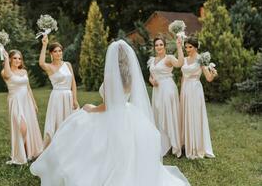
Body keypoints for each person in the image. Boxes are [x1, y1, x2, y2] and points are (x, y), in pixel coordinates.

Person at [30, 40, 190, 186]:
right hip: (127, 112)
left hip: (111, 114)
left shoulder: (111, 76)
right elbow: (123, 99)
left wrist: (91, 109)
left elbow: (108, 106)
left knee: (79, 127)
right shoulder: (131, 75)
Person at [1, 50, 43, 165]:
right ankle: (20, 153)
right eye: (14, 58)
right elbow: (8, 75)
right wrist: (5, 58)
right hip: (15, 101)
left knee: (30, 126)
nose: (17, 61)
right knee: (22, 127)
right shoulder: (5, 71)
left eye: (19, 58)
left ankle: (28, 152)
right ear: (10, 59)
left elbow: (28, 88)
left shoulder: (24, 71)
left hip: (26, 101)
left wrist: (34, 103)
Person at [180, 36, 217, 159]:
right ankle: (187, 144)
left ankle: (197, 146)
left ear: (196, 47)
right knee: (186, 115)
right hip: (185, 89)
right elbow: (183, 77)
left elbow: (208, 78)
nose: (188, 49)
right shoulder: (184, 60)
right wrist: (181, 92)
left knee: (195, 115)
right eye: (186, 47)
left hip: (195, 90)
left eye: (190, 47)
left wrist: (213, 74)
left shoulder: (200, 59)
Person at [39, 35, 79, 148]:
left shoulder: (67, 65)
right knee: (56, 123)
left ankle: (70, 147)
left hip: (69, 96)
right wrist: (44, 44)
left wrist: (75, 99)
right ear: (51, 54)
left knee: (72, 123)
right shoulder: (49, 67)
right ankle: (54, 147)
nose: (58, 53)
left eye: (60, 51)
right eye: (55, 51)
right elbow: (41, 63)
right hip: (57, 98)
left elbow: (73, 83)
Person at [148, 35, 184, 157]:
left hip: (167, 89)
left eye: (161, 45)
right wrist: (152, 81)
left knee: (168, 114)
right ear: (154, 47)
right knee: (158, 114)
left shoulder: (169, 58)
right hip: (157, 90)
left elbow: (180, 63)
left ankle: (172, 144)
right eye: (156, 45)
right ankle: (162, 143)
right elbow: (151, 75)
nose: (158, 47)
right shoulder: (152, 60)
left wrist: (179, 47)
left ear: (165, 46)